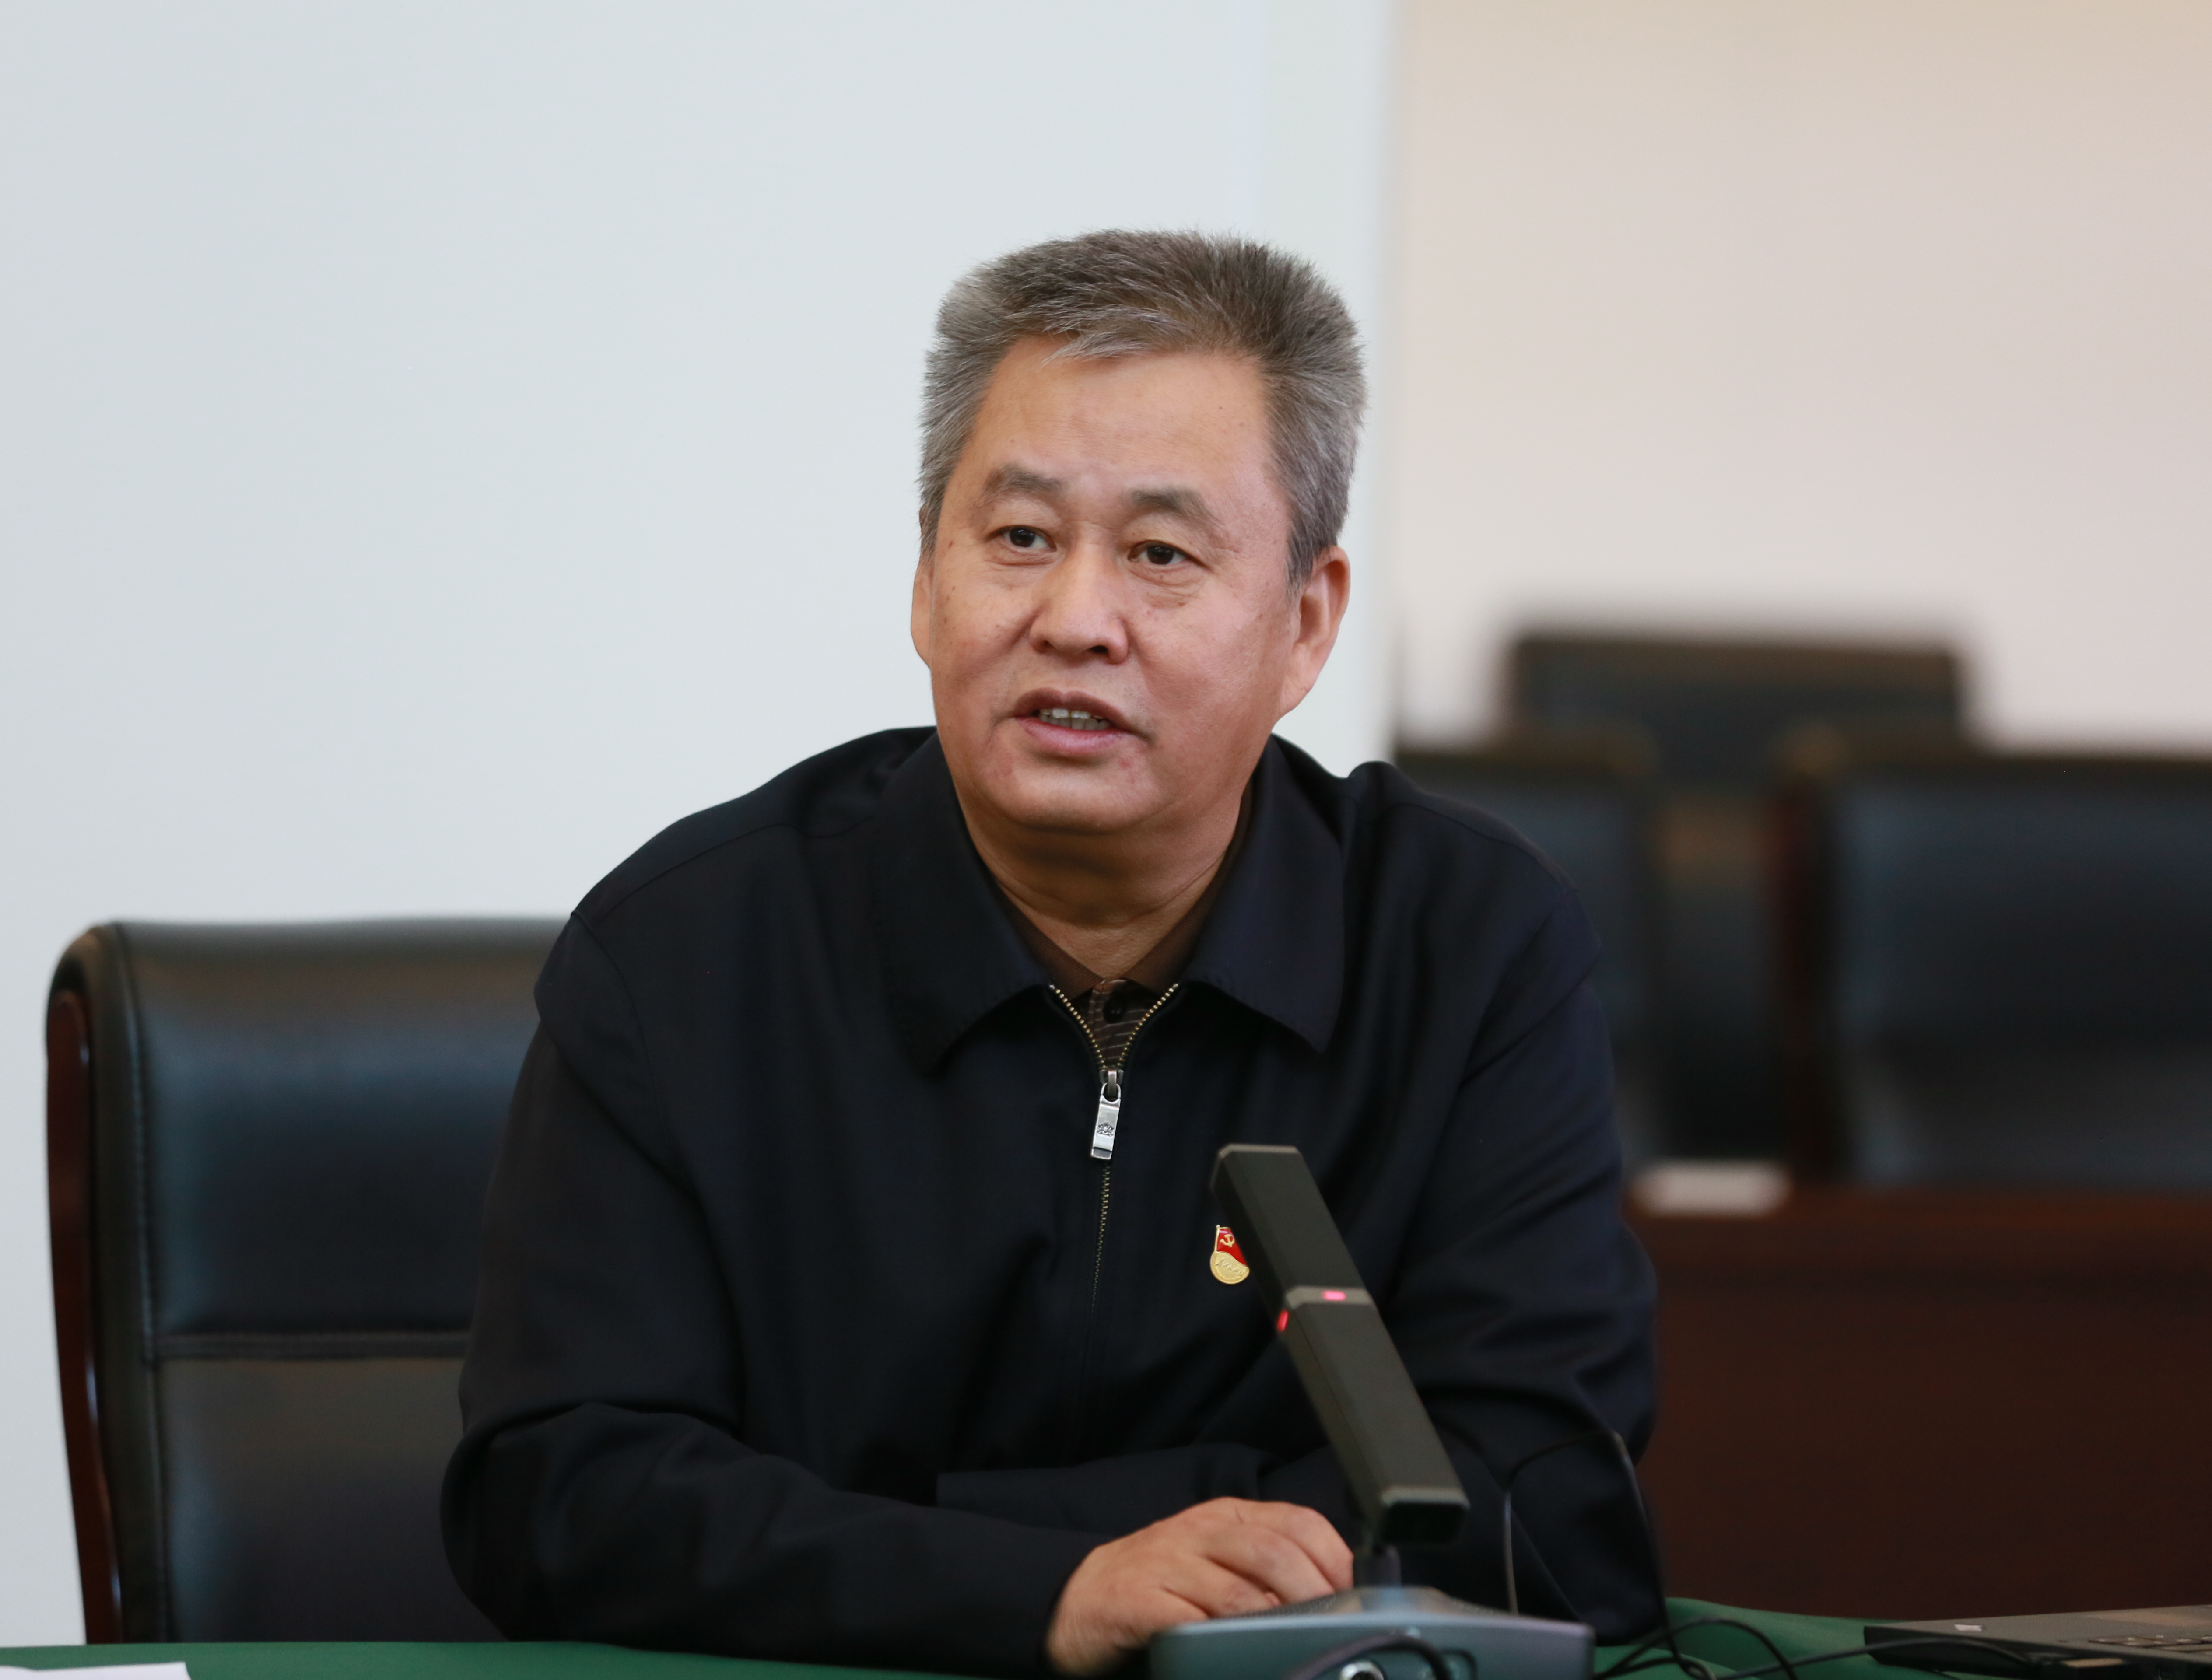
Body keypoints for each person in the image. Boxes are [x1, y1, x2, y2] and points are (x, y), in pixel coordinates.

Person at [442, 229, 1659, 1677]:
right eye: (1020, 538)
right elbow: (561, 1495)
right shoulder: (691, 954)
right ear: (926, 580)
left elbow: (1549, 1511)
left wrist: (944, 1541)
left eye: (1161, 555)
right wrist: (1052, 1589)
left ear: (1305, 623)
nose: (1076, 621)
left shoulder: (1464, 951)